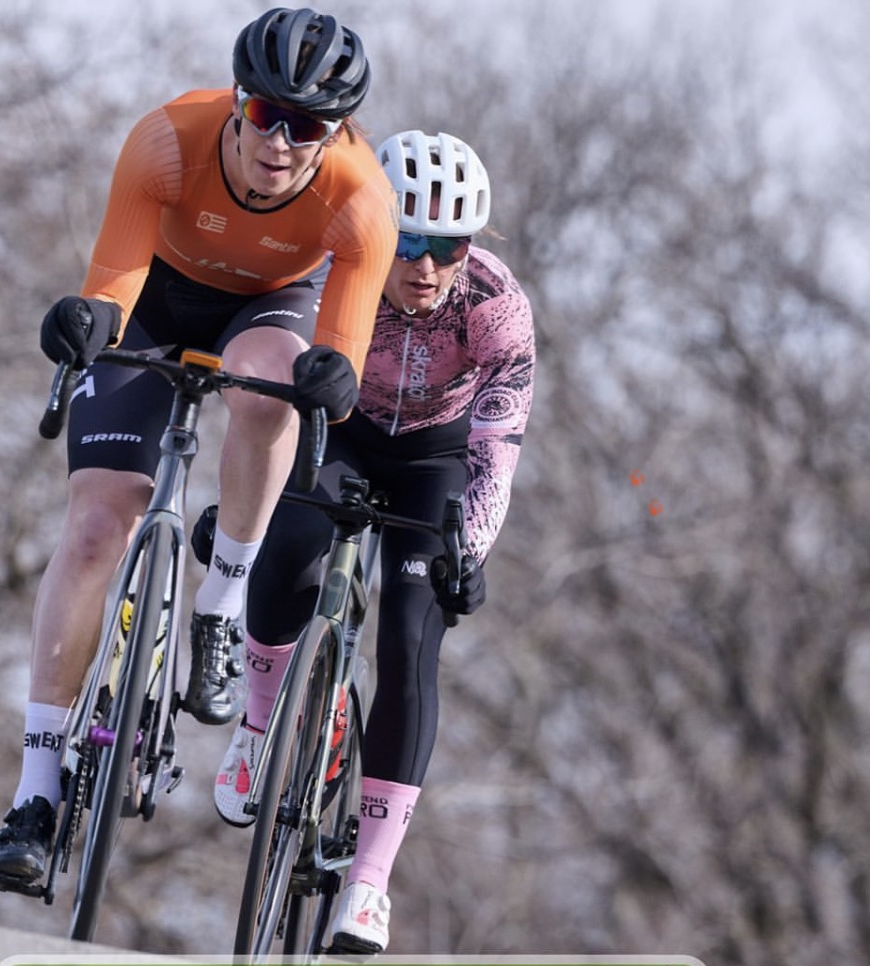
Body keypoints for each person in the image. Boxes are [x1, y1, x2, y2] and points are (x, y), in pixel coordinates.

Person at [0, 7, 398, 885]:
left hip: (270, 308)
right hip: (158, 298)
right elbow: (112, 291)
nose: (280, 142)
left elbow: (339, 357)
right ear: (239, 102)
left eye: (307, 127)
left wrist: (333, 380)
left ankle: (221, 601)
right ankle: (35, 792)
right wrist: (84, 322)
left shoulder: (361, 200)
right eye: (266, 115)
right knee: (96, 527)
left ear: (336, 134)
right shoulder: (168, 142)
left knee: (271, 385)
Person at [210, 129, 535, 954]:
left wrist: (470, 548)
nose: (424, 266)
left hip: (435, 458)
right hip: (341, 433)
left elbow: (497, 447)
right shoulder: (328, 264)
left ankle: (367, 882)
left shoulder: (495, 305)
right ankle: (259, 728)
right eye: (407, 241)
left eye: (446, 247)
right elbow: (261, 397)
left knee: (409, 636)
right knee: (287, 553)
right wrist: (240, 507)